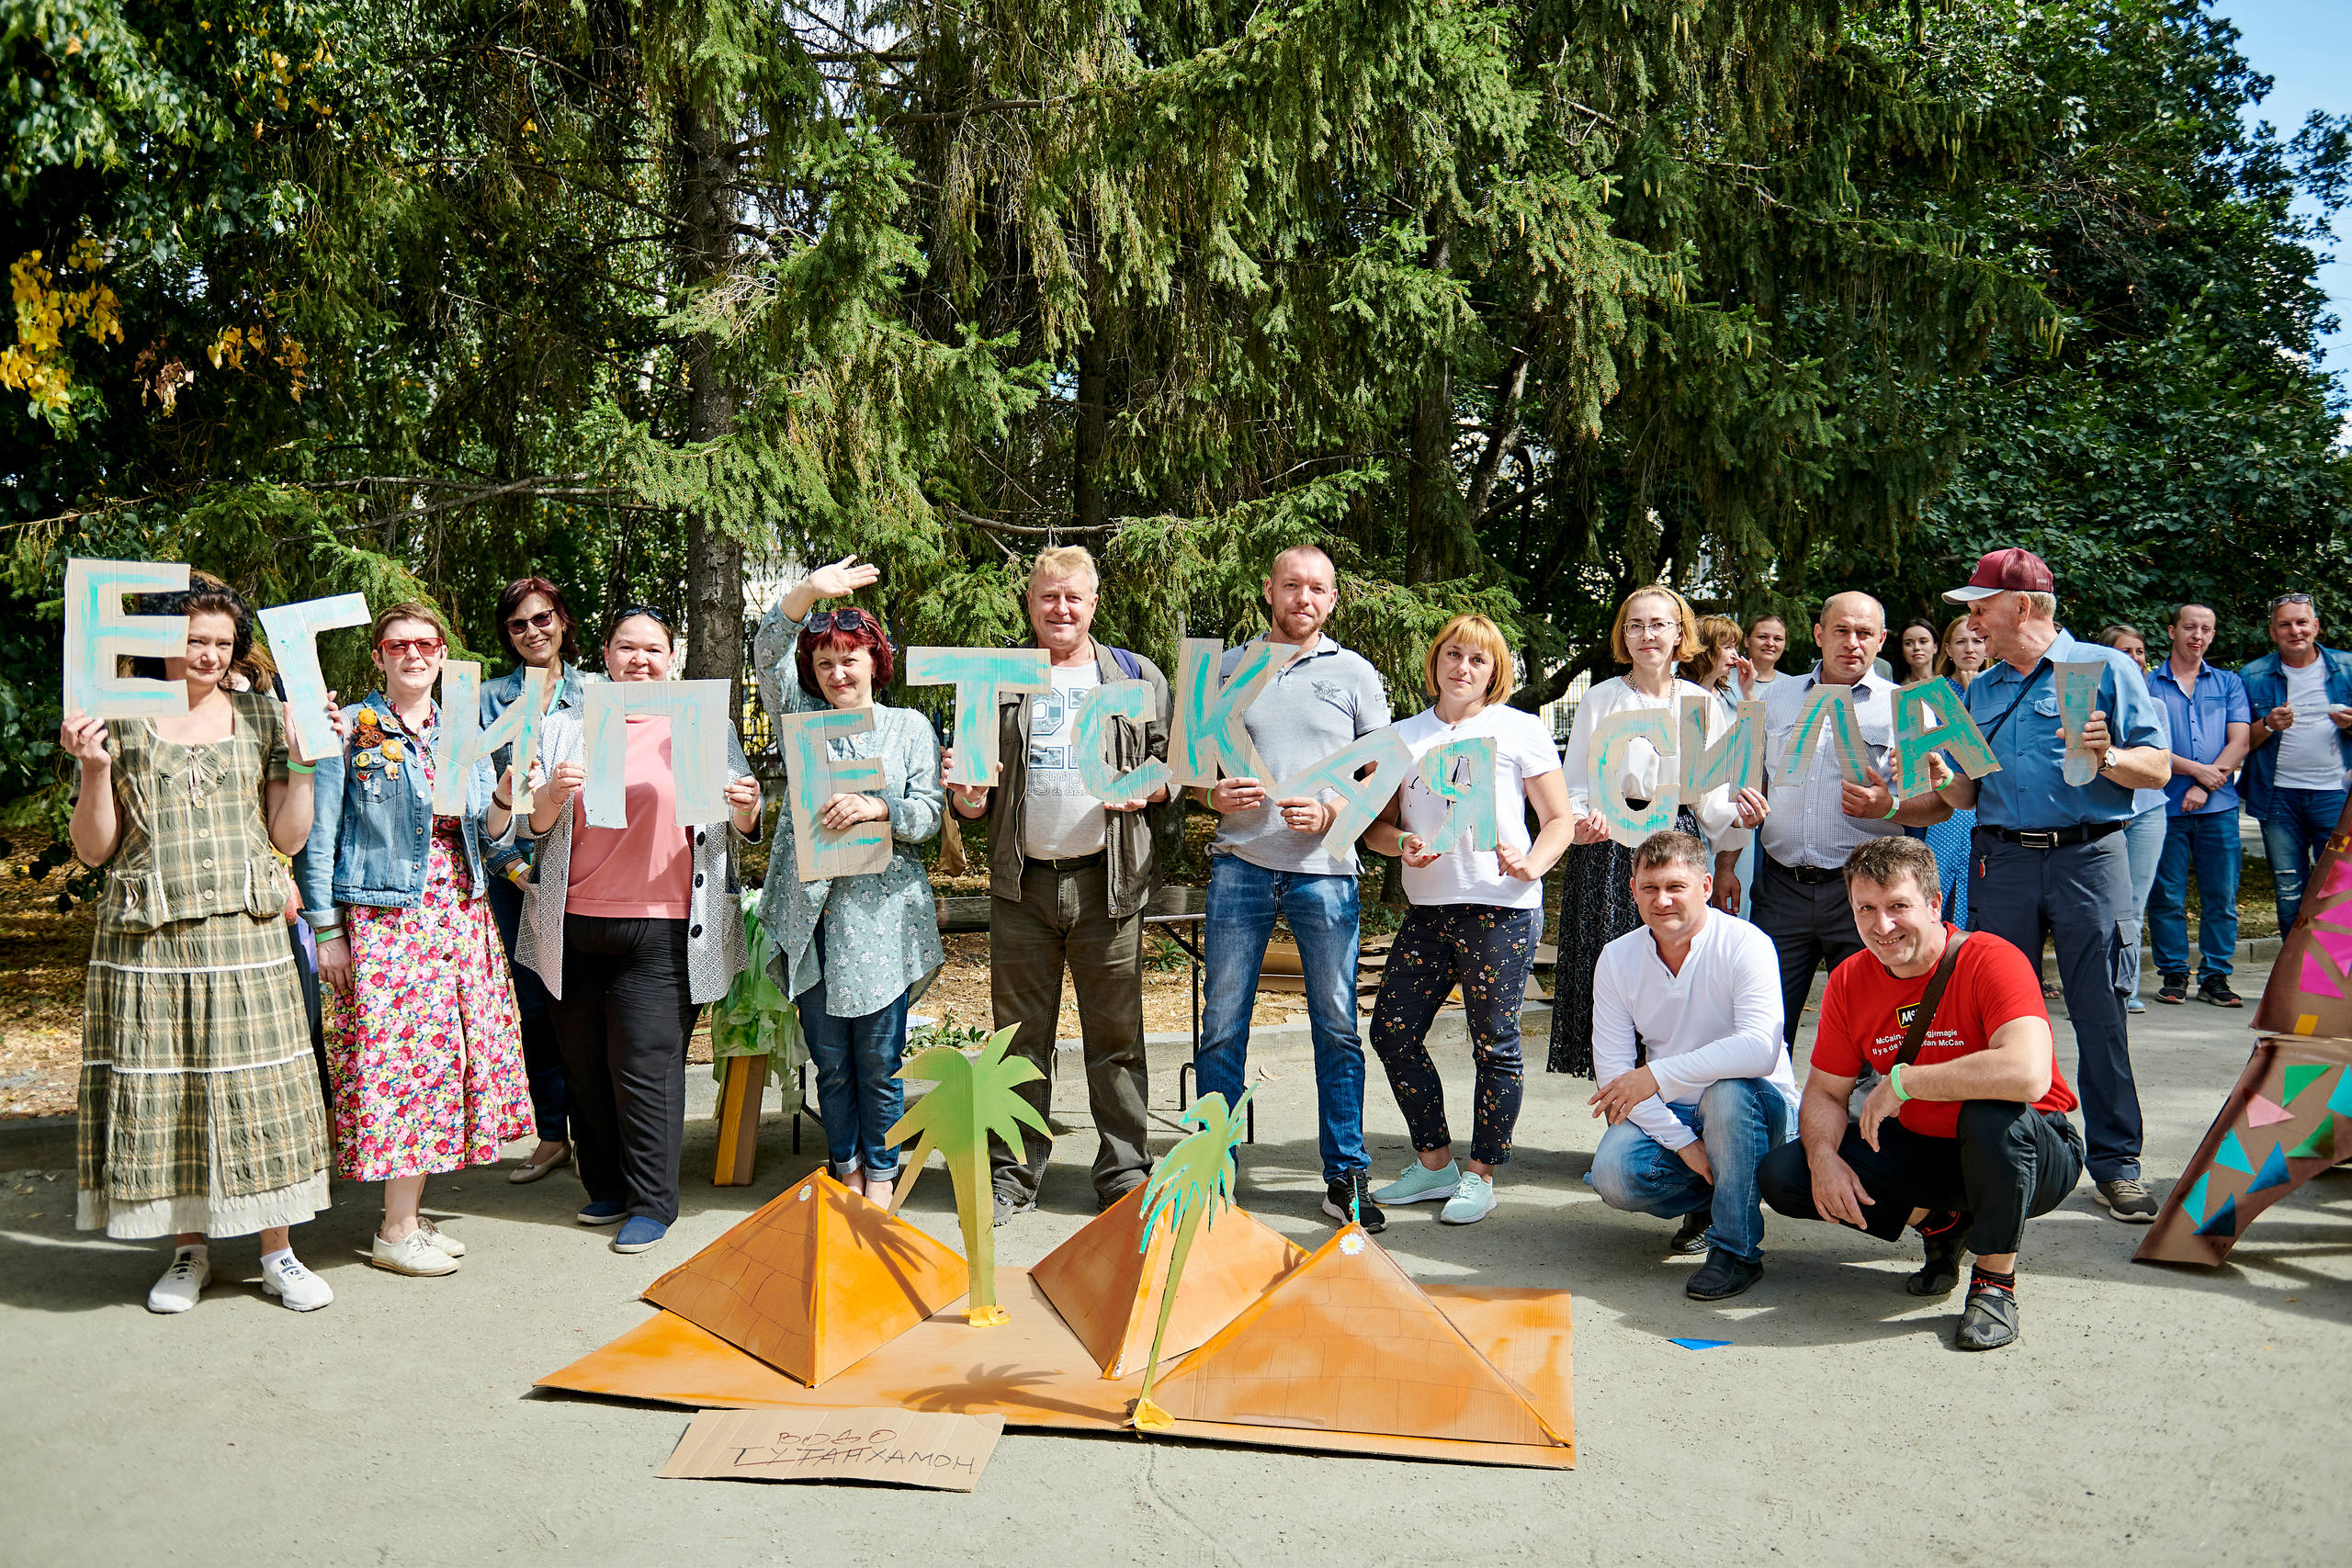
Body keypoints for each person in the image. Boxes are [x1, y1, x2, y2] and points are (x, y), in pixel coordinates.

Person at [60, 581, 343, 1313]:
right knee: (174, 1091)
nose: (210, 655)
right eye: (194, 641)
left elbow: (287, 837)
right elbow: (94, 849)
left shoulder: (264, 715)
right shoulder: (118, 719)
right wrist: (94, 769)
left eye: (222, 642)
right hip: (150, 940)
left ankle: (278, 1252)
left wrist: (305, 763)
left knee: (261, 1090)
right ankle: (190, 1252)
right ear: (161, 644)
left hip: (246, 934)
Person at [1757, 836, 2083, 1351]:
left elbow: (2027, 1075)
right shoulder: (1849, 980)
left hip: (2031, 1154)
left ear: (1934, 903)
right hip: (1930, 1151)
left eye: (1898, 906)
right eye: (1866, 909)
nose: (1882, 925)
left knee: (1989, 1113)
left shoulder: (1992, 958)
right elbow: (1824, 1093)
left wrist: (1905, 1082)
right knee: (1787, 1174)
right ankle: (1941, 1223)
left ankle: (1994, 1284)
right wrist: (1823, 1160)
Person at [1920, 547, 2168, 1223]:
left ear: (2023, 606)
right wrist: (1944, 775)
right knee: (2000, 1016)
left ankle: (2117, 1164)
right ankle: (2016, 1152)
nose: (1973, 621)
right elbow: (1969, 793)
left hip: (2090, 859)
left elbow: (2157, 769)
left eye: (1982, 607)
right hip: (2002, 862)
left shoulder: (2105, 668)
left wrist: (2107, 754)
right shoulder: (1981, 690)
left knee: (2101, 1012)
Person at [515, 605, 763, 1254]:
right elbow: (527, 824)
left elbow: (742, 817)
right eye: (627, 647)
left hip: (665, 927)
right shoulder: (564, 727)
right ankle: (607, 1188)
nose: (640, 660)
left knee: (647, 1065)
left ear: (672, 659)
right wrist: (552, 795)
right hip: (572, 924)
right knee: (585, 1065)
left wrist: (747, 808)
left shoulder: (702, 725)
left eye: (653, 649)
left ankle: (653, 1203)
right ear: (605, 655)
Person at [298, 603, 532, 1276]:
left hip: (459, 913)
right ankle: (395, 1231)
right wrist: (327, 931)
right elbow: (319, 836)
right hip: (387, 921)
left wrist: (505, 795)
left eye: (426, 644)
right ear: (378, 656)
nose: (414, 655)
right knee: (402, 1069)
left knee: (447, 1063)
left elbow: (485, 832)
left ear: (441, 653)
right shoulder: (351, 730)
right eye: (398, 644)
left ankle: (410, 1214)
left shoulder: (460, 728)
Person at [944, 546, 1171, 1223]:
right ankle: (1013, 1174)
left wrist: (1151, 784)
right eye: (1049, 597)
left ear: (1094, 603)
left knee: (1117, 1037)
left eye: (1073, 597)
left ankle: (1124, 1172)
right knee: (1017, 1040)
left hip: (1109, 882)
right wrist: (966, 793)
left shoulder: (1136, 675)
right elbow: (972, 801)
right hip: (1024, 885)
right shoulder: (995, 681)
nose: (1061, 609)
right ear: (1031, 604)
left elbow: (1174, 764)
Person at [1191, 545, 1393, 1228]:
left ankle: (1345, 1176)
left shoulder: (1354, 673)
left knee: (1337, 1027)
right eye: (1292, 585)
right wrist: (1209, 795)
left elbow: (1381, 771)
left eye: (1317, 588)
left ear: (1332, 599)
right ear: (1269, 591)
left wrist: (1336, 813)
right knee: (1223, 1026)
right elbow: (1192, 771)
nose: (1304, 598)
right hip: (1241, 864)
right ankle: (1212, 1171)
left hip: (1327, 874)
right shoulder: (1225, 669)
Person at [1363, 615, 1574, 1224]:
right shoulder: (1402, 736)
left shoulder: (1520, 729)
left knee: (1494, 1044)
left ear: (1495, 672)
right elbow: (1375, 827)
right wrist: (1401, 843)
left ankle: (1481, 1174)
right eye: (1453, 654)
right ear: (1435, 662)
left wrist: (1532, 863)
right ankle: (1435, 1164)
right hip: (1429, 911)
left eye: (1478, 659)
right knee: (1392, 1033)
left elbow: (1558, 820)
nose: (1463, 667)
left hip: (1501, 909)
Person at [752, 558, 944, 1206]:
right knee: (830, 1063)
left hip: (883, 922)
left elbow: (930, 814)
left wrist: (878, 808)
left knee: (879, 1063)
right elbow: (768, 655)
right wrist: (808, 591)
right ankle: (847, 1168)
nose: (838, 672)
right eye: (826, 662)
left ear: (874, 661)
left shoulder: (908, 728)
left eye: (850, 659)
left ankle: (882, 1176)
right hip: (813, 919)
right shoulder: (801, 720)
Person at [1549, 586, 1767, 1077]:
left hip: (1677, 846)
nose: (1647, 634)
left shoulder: (1700, 702)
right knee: (1615, 980)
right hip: (1610, 851)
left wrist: (1739, 817)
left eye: (1658, 624)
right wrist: (1583, 820)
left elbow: (1711, 796)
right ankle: (1621, 1102)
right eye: (1636, 625)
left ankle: (1675, 1093)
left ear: (1679, 634)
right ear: (1623, 636)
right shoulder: (1601, 698)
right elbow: (1575, 785)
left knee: (1676, 972)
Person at [1585, 831, 1794, 1300]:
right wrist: (1683, 1144)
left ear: (1705, 885)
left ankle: (1737, 1249)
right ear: (1633, 889)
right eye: (1650, 888)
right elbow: (1616, 1080)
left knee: (1727, 1091)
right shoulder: (1617, 957)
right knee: (1614, 1175)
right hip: (1679, 1110)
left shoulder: (1746, 942)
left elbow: (1759, 1050)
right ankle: (1714, 1196)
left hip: (1758, 1107)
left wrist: (1657, 1074)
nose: (1662, 901)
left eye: (1675, 887)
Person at [1747, 592, 1943, 1046]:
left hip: (1867, 895)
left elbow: (1939, 805)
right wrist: (1730, 852)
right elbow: (1752, 783)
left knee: (1874, 1033)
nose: (1852, 642)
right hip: (1781, 889)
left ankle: (1870, 1098)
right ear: (1819, 635)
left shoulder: (1905, 707)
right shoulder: (1776, 699)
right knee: (1765, 1031)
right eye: (1841, 630)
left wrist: (1888, 807)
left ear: (1881, 640)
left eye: (1864, 633)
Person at [481, 576, 587, 1186]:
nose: (532, 631)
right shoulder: (485, 701)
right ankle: (552, 1135)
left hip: (587, 870)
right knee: (538, 1007)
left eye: (542, 618)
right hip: (517, 876)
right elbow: (474, 797)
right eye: (518, 624)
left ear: (562, 620)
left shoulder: (597, 693)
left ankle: (598, 1132)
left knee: (590, 1001)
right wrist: (513, 868)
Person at [2145, 604, 2252, 1008]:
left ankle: (2215, 977)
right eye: (2190, 627)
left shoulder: (2228, 682)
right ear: (2172, 631)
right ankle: (2174, 973)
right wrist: (2198, 774)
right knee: (2166, 896)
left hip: (2218, 807)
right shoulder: (2148, 684)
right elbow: (2148, 746)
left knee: (2221, 896)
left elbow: (2240, 741)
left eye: (2206, 629)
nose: (2198, 635)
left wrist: (2206, 785)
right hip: (2165, 806)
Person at [2237, 593, 2352, 931]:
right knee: (2289, 889)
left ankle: (2335, 964)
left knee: (2339, 887)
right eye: (2285, 624)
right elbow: (2239, 743)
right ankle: (2292, 965)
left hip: (2337, 796)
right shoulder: (2252, 675)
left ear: (2316, 626)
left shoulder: (2348, 668)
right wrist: (2269, 724)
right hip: (2278, 799)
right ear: (2273, 632)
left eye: (2302, 622)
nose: (2295, 631)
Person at [2092, 625, 2171, 1015]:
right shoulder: (2087, 706)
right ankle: (2093, 990)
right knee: (2097, 909)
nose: (2136, 659)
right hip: (2103, 814)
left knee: (2133, 906)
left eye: (2140, 651)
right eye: (2126, 651)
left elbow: (2159, 764)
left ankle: (2126, 988)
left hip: (2148, 813)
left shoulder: (2156, 707)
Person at [1917, 615, 1987, 931]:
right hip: (1947, 801)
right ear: (1947, 649)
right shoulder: (1934, 694)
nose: (1969, 648)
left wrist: (1978, 696)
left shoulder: (1999, 690)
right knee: (1938, 885)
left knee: (1981, 890)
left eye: (1977, 640)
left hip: (1989, 805)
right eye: (1961, 641)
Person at [1679, 614, 1748, 719]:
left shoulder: (1729, 692)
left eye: (1735, 648)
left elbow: (1753, 725)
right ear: (1705, 650)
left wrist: (1747, 690)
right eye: (1728, 647)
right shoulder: (1679, 693)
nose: (1735, 656)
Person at [1744, 615, 1789, 689]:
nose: (1770, 643)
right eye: (1762, 637)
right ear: (1746, 641)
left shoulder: (1792, 685)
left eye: (1778, 639)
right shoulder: (1725, 681)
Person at [1894, 617, 1941, 685]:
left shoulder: (1950, 683)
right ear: (1902, 651)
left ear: (1935, 647)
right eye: (1908, 643)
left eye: (1923, 641)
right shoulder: (1895, 688)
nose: (1916, 647)